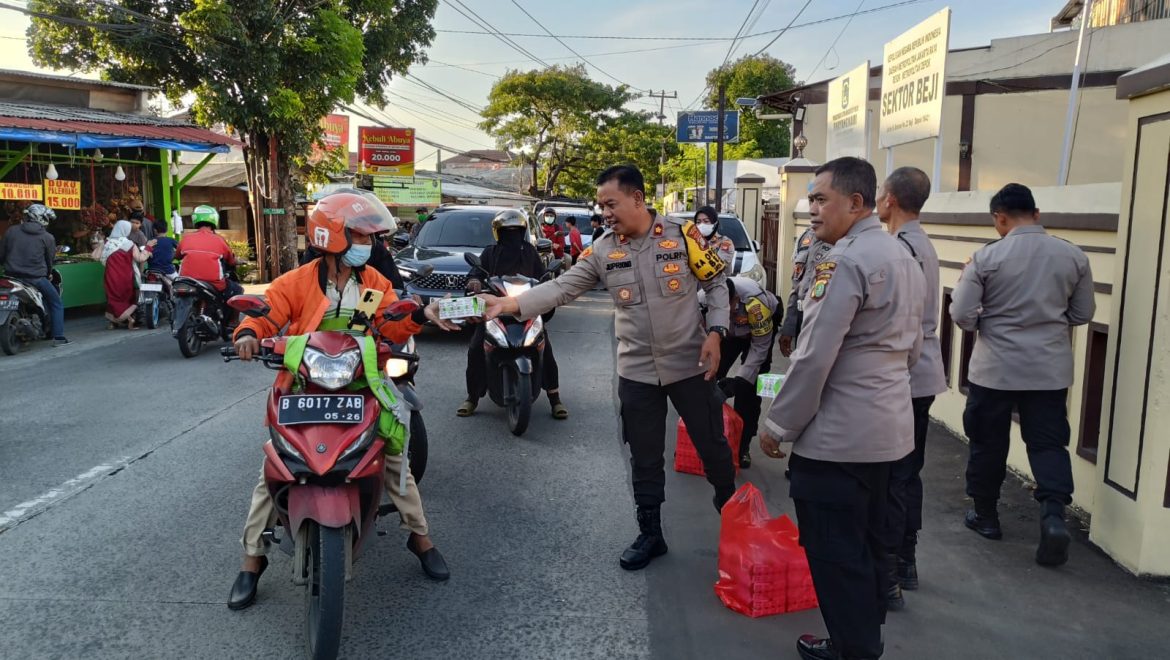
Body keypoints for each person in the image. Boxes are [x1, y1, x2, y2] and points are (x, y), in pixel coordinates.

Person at [480, 165, 736, 572]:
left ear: (637, 198)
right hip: (636, 372)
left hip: (690, 364)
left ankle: (732, 513)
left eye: (610, 204)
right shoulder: (602, 249)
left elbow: (717, 285)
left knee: (713, 445)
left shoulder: (682, 236)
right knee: (644, 455)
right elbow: (562, 287)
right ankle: (650, 533)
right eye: (601, 205)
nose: (605, 213)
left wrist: (717, 332)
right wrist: (511, 305)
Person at [227, 192, 458, 610]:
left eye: (371, 237)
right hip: (303, 386)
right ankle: (251, 560)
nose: (368, 244)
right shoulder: (296, 282)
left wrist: (421, 315)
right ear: (330, 236)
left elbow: (392, 317)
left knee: (392, 456)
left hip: (361, 382)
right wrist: (248, 334)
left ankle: (420, 538)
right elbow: (265, 312)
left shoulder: (372, 282)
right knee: (275, 468)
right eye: (358, 235)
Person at [759, 157, 925, 660]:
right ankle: (862, 637)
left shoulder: (844, 261)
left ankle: (853, 649)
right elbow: (915, 347)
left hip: (839, 438)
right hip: (890, 431)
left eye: (820, 199)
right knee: (874, 545)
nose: (810, 209)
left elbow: (813, 356)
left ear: (856, 203)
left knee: (836, 552)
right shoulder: (901, 256)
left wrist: (778, 424)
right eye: (809, 198)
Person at [950, 183, 1095, 568]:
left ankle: (986, 516)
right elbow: (1082, 314)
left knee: (987, 443)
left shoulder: (986, 258)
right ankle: (1052, 516)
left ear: (999, 218)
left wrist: (988, 319)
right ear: (1037, 213)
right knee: (1048, 445)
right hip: (1048, 371)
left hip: (995, 369)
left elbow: (961, 314)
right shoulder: (1073, 256)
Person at [875, 167, 948, 610]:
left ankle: (891, 572)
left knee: (893, 478)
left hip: (904, 374)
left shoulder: (899, 249)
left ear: (891, 200)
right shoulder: (921, 243)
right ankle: (904, 561)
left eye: (882, 194)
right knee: (906, 473)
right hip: (921, 374)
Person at [458, 209, 568, 420]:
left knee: (546, 348)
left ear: (523, 231)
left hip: (525, 309)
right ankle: (472, 397)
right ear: (498, 233)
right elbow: (477, 273)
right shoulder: (490, 253)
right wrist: (474, 281)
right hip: (495, 310)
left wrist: (547, 282)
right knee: (475, 348)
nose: (512, 236)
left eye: (516, 231)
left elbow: (541, 275)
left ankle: (555, 398)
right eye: (507, 232)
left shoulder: (530, 252)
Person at [713, 276, 780, 468]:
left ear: (736, 298)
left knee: (750, 389)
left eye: (731, 306)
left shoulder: (755, 302)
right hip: (729, 334)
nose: (730, 310)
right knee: (708, 379)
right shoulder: (702, 300)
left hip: (760, 332)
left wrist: (739, 381)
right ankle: (704, 438)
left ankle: (743, 447)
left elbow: (759, 349)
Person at [301, 190, 405, 289]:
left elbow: (394, 290)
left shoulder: (375, 254)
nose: (367, 241)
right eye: (359, 233)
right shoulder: (314, 254)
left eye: (369, 234)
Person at [0, 203, 69, 345]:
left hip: (11, 276)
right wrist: (49, 273)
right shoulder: (47, 237)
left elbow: (2, 254)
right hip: (35, 278)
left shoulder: (12, 231)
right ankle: (59, 337)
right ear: (42, 218)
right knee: (56, 303)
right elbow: (50, 260)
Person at [779, 226, 832, 358]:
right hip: (802, 319)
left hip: (826, 321)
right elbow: (797, 285)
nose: (814, 207)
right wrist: (789, 328)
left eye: (820, 203)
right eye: (811, 203)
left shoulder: (844, 239)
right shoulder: (806, 236)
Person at [177, 205, 242, 301]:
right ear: (214, 220)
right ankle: (232, 317)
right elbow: (231, 261)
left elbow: (177, 256)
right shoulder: (219, 240)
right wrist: (238, 261)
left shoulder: (186, 238)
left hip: (186, 282)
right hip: (213, 284)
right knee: (237, 290)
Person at [99, 220, 150, 329]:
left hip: (110, 276)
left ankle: (113, 322)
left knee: (112, 298)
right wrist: (148, 248)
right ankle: (130, 320)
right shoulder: (129, 244)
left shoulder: (108, 243)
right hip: (125, 277)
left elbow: (98, 257)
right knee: (125, 298)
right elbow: (140, 258)